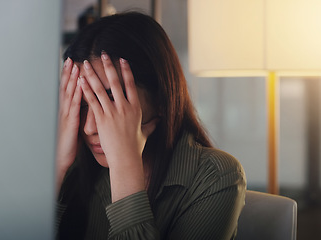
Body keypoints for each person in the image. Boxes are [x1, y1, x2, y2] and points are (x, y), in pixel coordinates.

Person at [55, 12, 246, 240]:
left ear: (160, 98)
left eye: (110, 101)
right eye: (82, 104)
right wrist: (55, 168)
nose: (89, 127)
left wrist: (125, 165)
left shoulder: (215, 176)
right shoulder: (75, 170)